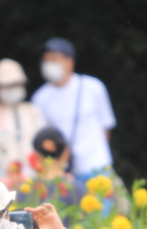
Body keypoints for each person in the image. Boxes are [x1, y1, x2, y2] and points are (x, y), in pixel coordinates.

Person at [31, 38, 117, 200]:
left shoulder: (93, 87)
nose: (49, 63)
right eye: (46, 60)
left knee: (100, 222)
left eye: (54, 59)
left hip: (97, 168)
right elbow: (44, 140)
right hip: (63, 174)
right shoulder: (40, 98)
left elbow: (106, 127)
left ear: (69, 62)